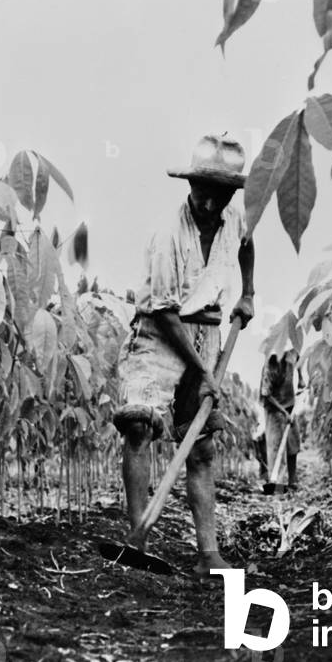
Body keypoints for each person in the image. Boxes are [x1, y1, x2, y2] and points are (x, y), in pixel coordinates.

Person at [112, 134, 255, 578]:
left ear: (232, 194)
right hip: (160, 330)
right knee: (139, 424)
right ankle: (138, 538)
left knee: (201, 446)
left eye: (222, 194)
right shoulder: (166, 235)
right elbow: (167, 314)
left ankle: (207, 553)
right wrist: (202, 372)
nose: (211, 204)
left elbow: (248, 245)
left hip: (207, 329)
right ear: (189, 184)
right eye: (203, 192)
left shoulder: (234, 219)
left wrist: (248, 293)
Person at [259, 348, 302, 489]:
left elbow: (298, 357)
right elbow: (266, 394)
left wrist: (301, 378)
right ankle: (278, 483)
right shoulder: (269, 367)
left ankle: (293, 480)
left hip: (289, 402)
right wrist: (283, 413)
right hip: (273, 407)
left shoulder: (290, 355)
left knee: (293, 442)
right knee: (277, 445)